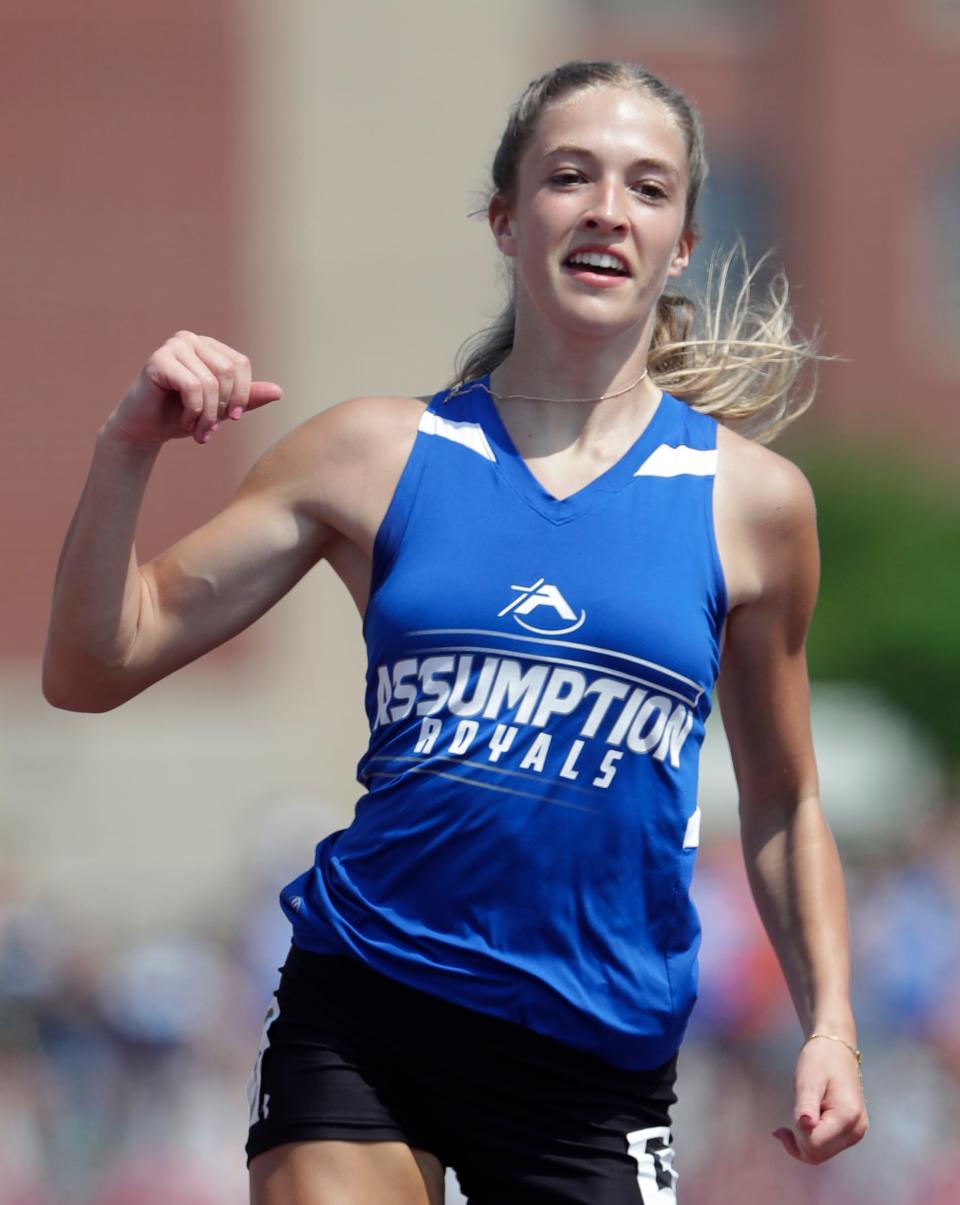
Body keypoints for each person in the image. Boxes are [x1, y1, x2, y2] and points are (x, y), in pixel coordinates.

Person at [43, 59, 867, 1204]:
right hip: (369, 1004)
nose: (603, 211)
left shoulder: (753, 504)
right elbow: (93, 663)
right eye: (568, 176)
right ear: (506, 218)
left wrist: (831, 1022)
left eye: (646, 187)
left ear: (681, 242)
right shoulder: (373, 455)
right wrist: (125, 448)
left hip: (596, 1057)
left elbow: (784, 800)